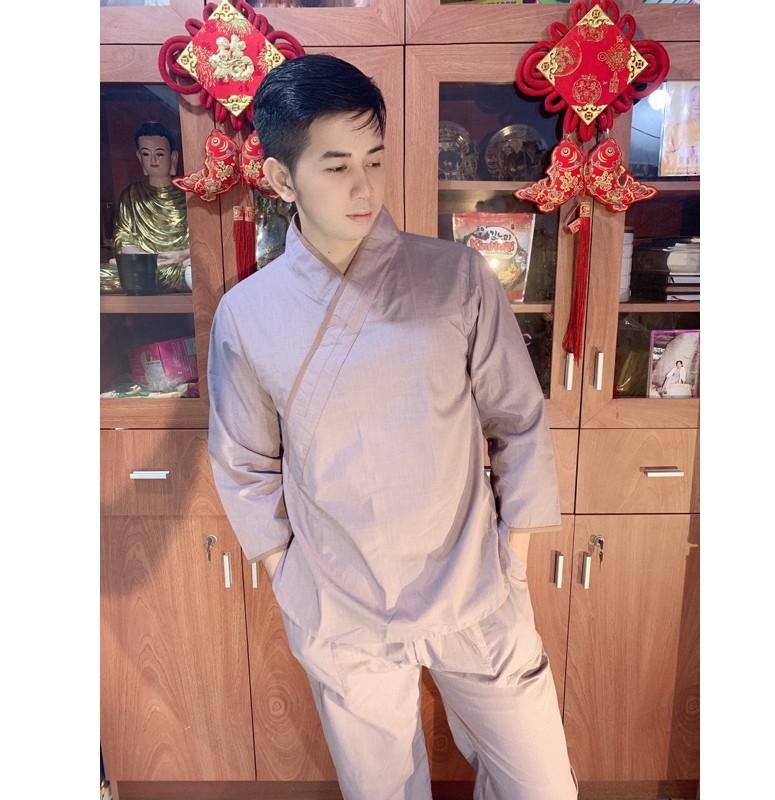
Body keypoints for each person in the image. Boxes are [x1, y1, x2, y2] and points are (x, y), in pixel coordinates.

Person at [207, 54, 578, 800]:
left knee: (542, 786)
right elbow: (244, 462)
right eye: (337, 165)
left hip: (472, 584)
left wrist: (513, 558)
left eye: (374, 160)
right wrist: (288, 575)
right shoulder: (246, 314)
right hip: (340, 600)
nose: (365, 186)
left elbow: (517, 417)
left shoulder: (456, 277)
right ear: (281, 179)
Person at [112, 121, 190, 263]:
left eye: (159, 154)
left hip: (179, 262)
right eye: (146, 154)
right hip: (143, 265)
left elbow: (202, 240)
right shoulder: (131, 195)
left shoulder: (187, 193)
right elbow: (122, 237)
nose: (153, 160)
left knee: (193, 269)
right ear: (139, 157)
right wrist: (145, 258)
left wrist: (182, 254)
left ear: (173, 157)